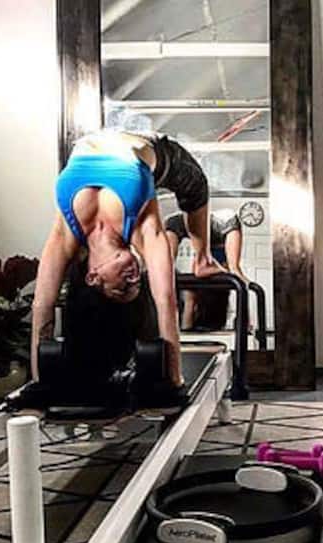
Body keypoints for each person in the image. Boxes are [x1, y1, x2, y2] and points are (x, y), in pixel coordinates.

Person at [31, 129, 222, 388]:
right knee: (194, 189)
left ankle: (203, 259)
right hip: (147, 150)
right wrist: (174, 378)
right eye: (137, 284)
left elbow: (42, 305)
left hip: (111, 140)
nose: (134, 278)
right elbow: (165, 301)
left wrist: (38, 382)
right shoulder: (142, 231)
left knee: (196, 188)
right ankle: (202, 258)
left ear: (92, 277)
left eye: (121, 288)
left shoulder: (65, 237)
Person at [164, 208, 249, 331]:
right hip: (224, 222)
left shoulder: (195, 296)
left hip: (181, 223)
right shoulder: (227, 224)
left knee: (165, 272)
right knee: (235, 270)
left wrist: (223, 270)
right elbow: (235, 272)